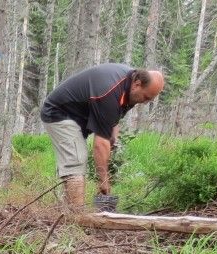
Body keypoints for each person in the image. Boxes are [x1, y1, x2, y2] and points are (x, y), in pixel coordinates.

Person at [40, 63, 165, 209]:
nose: (146, 102)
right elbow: (100, 144)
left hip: (78, 116)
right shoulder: (110, 90)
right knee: (76, 160)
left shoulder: (129, 86)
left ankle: (66, 211)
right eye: (146, 97)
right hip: (59, 112)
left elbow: (113, 119)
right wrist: (103, 180)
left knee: (79, 158)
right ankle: (77, 218)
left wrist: (112, 142)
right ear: (137, 84)